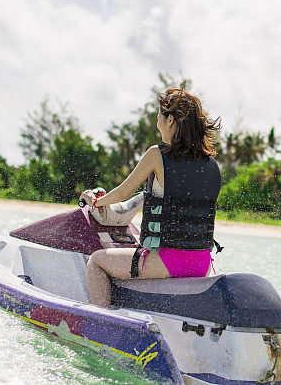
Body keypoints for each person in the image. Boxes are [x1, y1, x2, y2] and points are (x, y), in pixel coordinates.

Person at [79, 88, 222, 307]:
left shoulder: (158, 155)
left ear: (170, 120)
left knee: (97, 261)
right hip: (202, 262)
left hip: (170, 261)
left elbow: (124, 192)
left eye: (159, 117)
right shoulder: (212, 164)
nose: (157, 123)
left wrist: (97, 201)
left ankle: (101, 321)